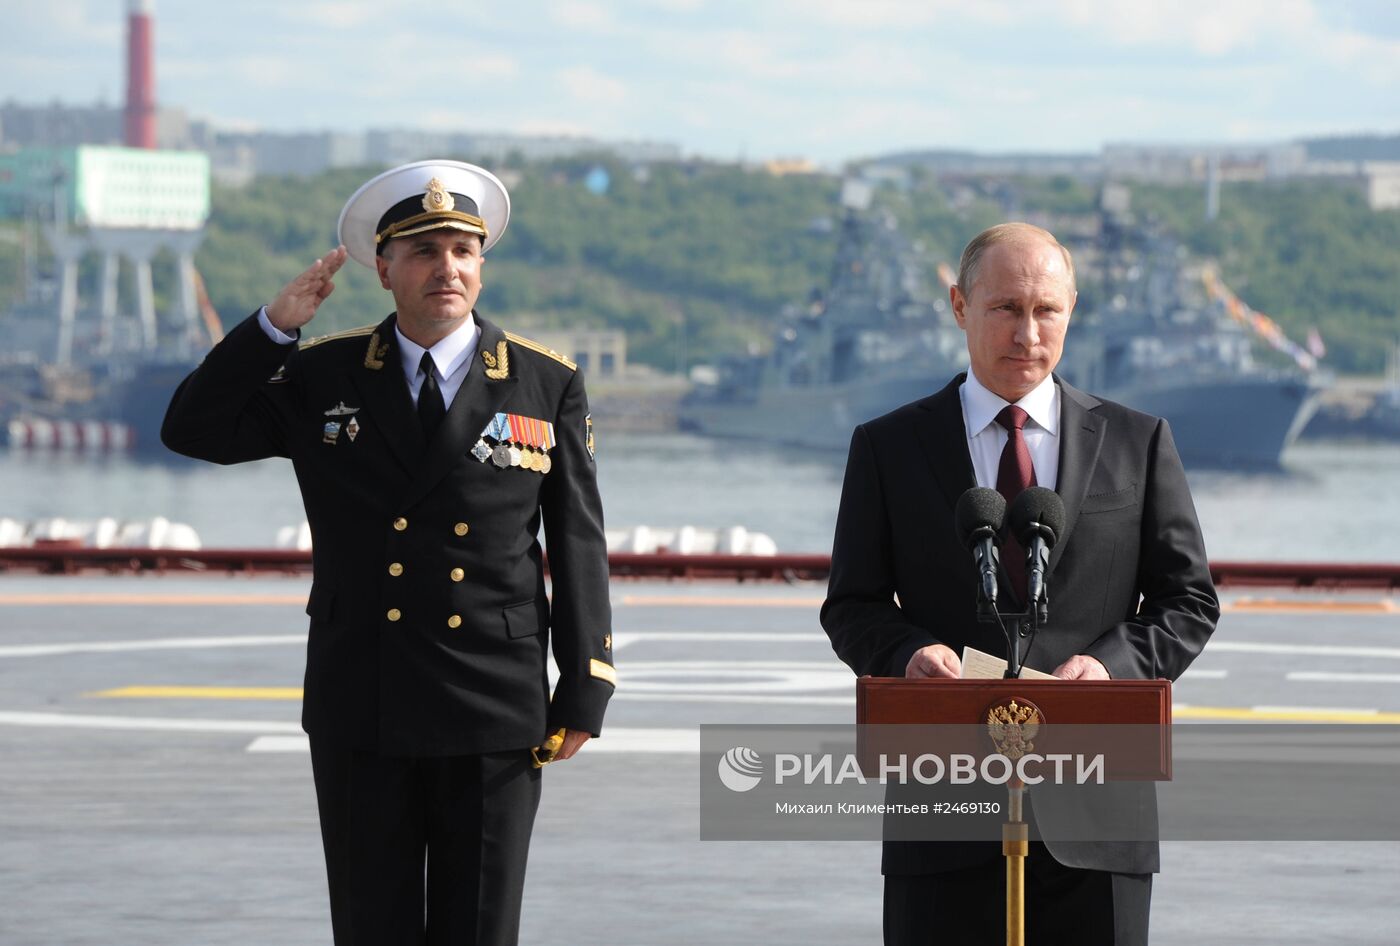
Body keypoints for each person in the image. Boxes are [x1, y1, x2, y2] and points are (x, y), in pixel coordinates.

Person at [162, 160, 616, 946]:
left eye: (463, 251)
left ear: (482, 265)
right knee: (372, 926)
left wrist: (585, 684)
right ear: (384, 269)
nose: (448, 268)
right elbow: (192, 430)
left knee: (479, 928)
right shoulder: (323, 375)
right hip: (361, 692)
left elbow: (577, 541)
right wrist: (271, 329)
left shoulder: (543, 383)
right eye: (424, 252)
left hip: (493, 701)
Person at [820, 222, 1219, 945]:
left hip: (1099, 818)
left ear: (1073, 310)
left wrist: (1110, 668)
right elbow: (853, 604)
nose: (1027, 333)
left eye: (1047, 310)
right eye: (1005, 308)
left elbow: (1187, 601)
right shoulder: (887, 447)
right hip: (941, 812)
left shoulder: (1140, 441)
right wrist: (906, 655)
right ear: (959, 306)